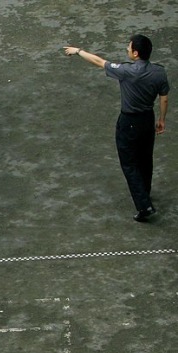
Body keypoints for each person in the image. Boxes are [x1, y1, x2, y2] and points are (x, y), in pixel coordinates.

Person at [63, 36, 170, 221]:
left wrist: (78, 51)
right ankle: (145, 193)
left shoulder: (126, 71)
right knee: (145, 159)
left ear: (135, 53)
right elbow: (164, 97)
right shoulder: (159, 72)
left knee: (129, 163)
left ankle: (144, 205)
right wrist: (161, 119)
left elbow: (99, 61)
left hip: (129, 122)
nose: (127, 49)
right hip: (147, 119)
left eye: (129, 47)